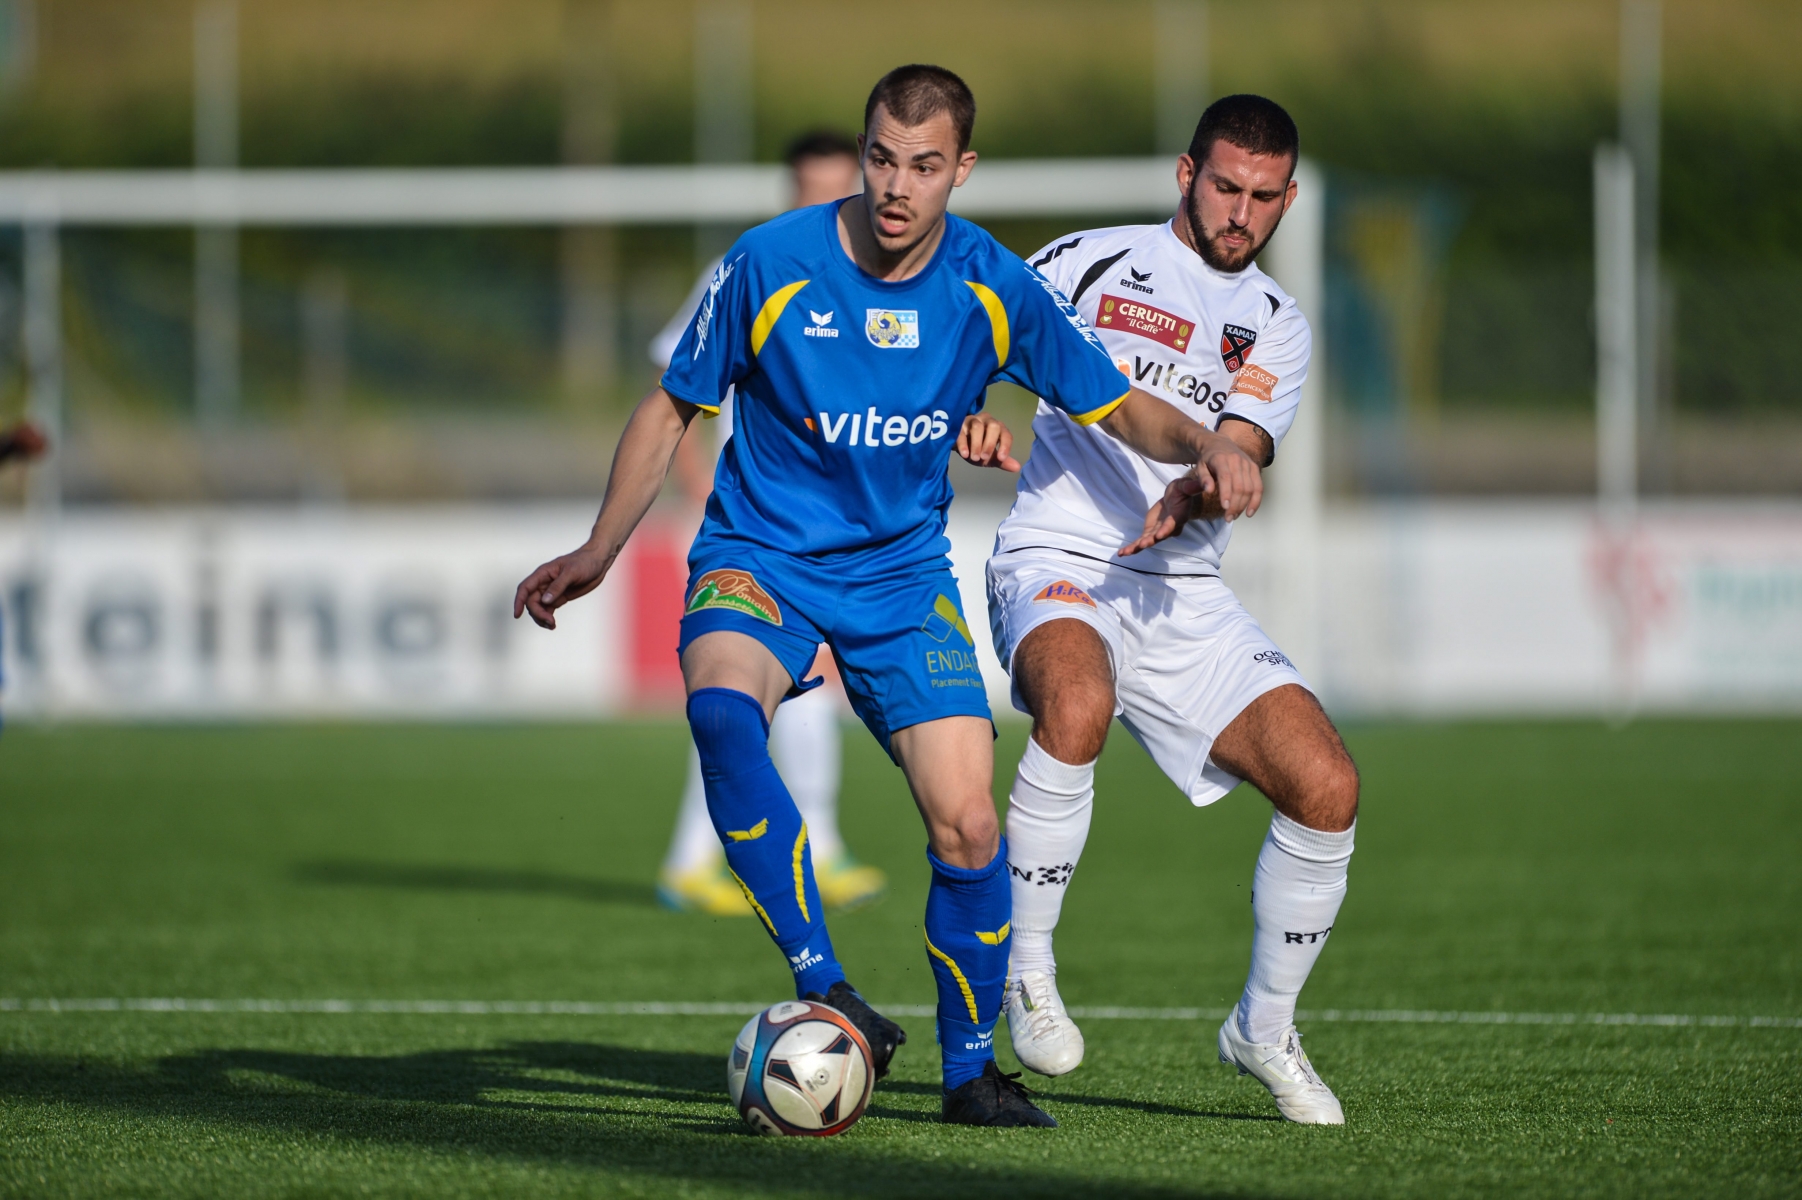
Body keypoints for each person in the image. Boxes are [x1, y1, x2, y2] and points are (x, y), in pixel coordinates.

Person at [515, 64, 1260, 1127]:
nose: (895, 186)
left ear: (961, 168)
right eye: (879, 158)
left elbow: (1113, 404)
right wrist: (598, 549)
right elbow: (671, 405)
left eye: (922, 165)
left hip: (903, 576)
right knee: (722, 713)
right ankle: (824, 983)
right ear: (862, 154)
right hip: (760, 554)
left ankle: (968, 1075)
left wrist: (1208, 439)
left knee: (965, 825)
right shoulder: (771, 262)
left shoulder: (990, 283)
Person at [985, 94, 1360, 1125]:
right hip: (1058, 555)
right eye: (1225, 187)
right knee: (1073, 706)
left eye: (1263, 197)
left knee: (1325, 786)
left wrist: (1210, 481)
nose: (1240, 213)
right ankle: (1023, 969)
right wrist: (972, 411)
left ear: (1286, 199)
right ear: (1185, 174)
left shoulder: (1277, 326)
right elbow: (977, 340)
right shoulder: (1085, 260)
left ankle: (1262, 1028)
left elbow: (1239, 450)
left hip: (1181, 591)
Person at [651, 131, 887, 917]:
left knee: (763, 696)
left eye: (833, 187)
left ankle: (713, 855)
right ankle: (802, 847)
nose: (819, 203)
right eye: (806, 189)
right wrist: (696, 493)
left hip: (821, 527)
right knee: (773, 688)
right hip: (752, 524)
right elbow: (673, 384)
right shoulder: (751, 265)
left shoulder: (870, 279)